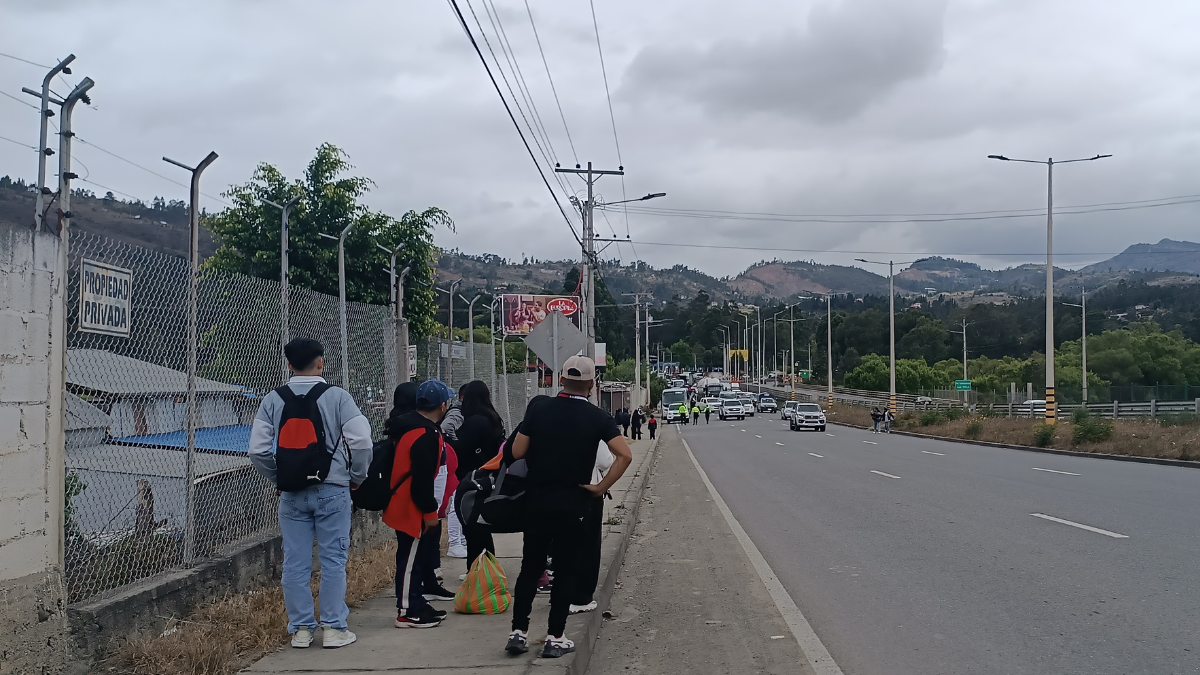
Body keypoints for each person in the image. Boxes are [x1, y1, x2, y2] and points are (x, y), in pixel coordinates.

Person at [248, 338, 373, 649]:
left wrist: (280, 476)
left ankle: (302, 630)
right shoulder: (338, 397)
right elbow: (362, 442)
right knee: (333, 559)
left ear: (289, 365)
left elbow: (257, 451)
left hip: (291, 494)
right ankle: (333, 628)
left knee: (295, 562)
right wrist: (356, 476)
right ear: (321, 362)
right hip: (333, 489)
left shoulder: (272, 400)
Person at [505, 356, 632, 659]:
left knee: (530, 568)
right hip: (574, 504)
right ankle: (555, 637)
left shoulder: (538, 410)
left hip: (536, 502)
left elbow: (517, 451)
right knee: (565, 571)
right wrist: (601, 488)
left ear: (560, 379)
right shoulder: (597, 417)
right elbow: (624, 455)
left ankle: (518, 633)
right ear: (591, 384)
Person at [383, 379, 455, 628]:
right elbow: (422, 480)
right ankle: (407, 610)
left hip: (402, 499)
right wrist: (430, 512)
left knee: (410, 555)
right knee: (409, 559)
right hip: (410, 504)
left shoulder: (408, 426)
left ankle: (415, 602)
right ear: (443, 405)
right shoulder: (427, 434)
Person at [451, 380, 506, 568]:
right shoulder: (492, 418)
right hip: (488, 476)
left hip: (471, 480)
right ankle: (487, 568)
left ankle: (475, 571)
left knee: (472, 528)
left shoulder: (474, 422)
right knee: (481, 528)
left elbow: (460, 446)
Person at [571, 439, 614, 615]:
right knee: (588, 545)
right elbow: (606, 461)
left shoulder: (544, 419)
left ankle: (560, 594)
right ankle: (581, 599)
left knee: (561, 544)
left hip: (553, 492)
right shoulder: (592, 423)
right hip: (586, 490)